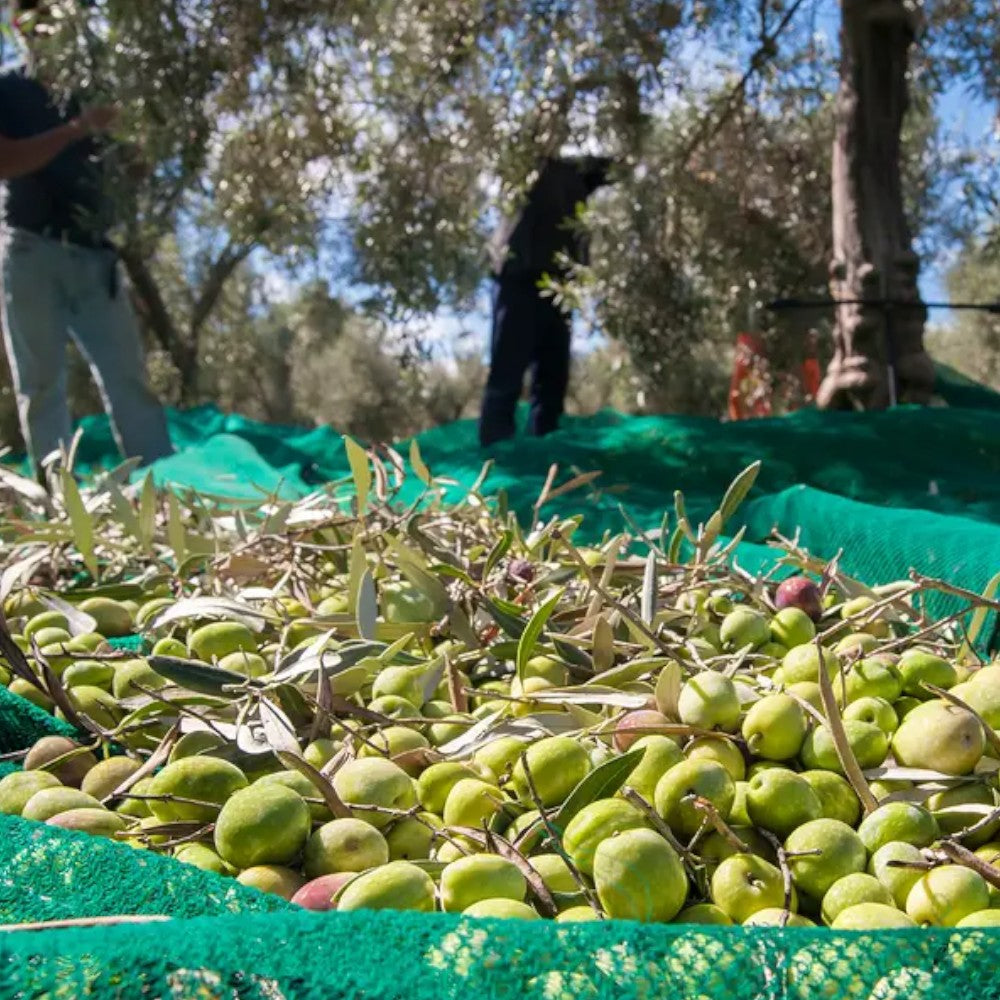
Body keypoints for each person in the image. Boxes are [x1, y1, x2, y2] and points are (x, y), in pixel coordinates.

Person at [0, 0, 173, 481]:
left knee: (130, 380)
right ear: (19, 25)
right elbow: (5, 160)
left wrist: (138, 144)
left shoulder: (91, 93)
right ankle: (59, 501)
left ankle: (163, 493)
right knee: (39, 384)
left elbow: (135, 168)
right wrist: (77, 130)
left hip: (96, 259)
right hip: (32, 250)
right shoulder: (7, 88)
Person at [479, 154, 613, 448]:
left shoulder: (581, 168)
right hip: (518, 272)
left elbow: (613, 168)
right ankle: (495, 461)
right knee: (506, 376)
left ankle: (546, 459)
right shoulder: (529, 151)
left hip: (561, 284)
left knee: (552, 382)